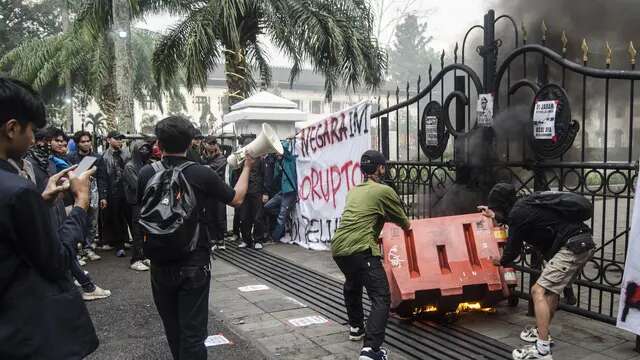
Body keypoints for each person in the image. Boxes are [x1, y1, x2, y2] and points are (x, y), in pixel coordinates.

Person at [138, 116, 254, 360]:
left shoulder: (146, 173)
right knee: (193, 332)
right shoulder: (200, 173)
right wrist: (247, 167)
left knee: (173, 329)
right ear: (191, 142)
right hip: (194, 261)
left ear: (158, 143)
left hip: (159, 263)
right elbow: (236, 198)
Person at [0, 77, 99, 358]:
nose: (33, 139)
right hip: (22, 331)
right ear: (12, 128)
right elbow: (57, 260)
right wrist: (80, 203)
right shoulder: (17, 191)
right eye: (31, 131)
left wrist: (41, 201)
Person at [481, 183, 595, 360]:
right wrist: (495, 215)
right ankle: (542, 333)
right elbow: (517, 221)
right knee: (551, 291)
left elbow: (512, 250)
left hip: (571, 247)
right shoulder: (524, 205)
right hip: (580, 243)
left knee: (537, 291)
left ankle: (542, 351)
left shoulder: (518, 212)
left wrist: (500, 261)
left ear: (503, 204)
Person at [331, 150, 411, 360]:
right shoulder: (384, 191)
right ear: (380, 168)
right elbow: (404, 222)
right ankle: (372, 350)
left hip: (339, 248)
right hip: (362, 249)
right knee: (381, 296)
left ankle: (356, 327)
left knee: (353, 282)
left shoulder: (354, 190)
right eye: (384, 167)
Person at [68, 130, 102, 261]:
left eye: (88, 141)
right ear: (77, 143)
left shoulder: (97, 157)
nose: (86, 144)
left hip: (93, 193)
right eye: (83, 141)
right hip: (76, 195)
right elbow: (71, 177)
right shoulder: (70, 158)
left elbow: (102, 177)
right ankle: (77, 250)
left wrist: (103, 196)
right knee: (78, 221)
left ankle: (89, 248)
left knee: (92, 222)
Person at [98, 130, 131, 257]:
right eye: (116, 138)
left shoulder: (127, 154)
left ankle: (135, 245)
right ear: (108, 140)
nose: (119, 141)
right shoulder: (104, 157)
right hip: (113, 193)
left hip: (127, 192)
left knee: (131, 218)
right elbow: (102, 178)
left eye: (121, 139)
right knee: (116, 219)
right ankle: (119, 245)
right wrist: (103, 196)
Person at [124, 140, 153, 271]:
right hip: (136, 203)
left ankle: (144, 255)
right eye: (142, 149)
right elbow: (136, 185)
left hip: (146, 202)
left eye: (147, 149)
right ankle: (135, 259)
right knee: (137, 231)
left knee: (145, 230)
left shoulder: (147, 164)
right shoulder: (130, 166)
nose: (145, 152)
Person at [264, 139, 297, 242]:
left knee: (281, 216)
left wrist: (279, 144)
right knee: (267, 207)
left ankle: (275, 237)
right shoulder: (281, 161)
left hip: (290, 191)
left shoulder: (289, 159)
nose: (276, 153)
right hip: (283, 191)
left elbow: (286, 147)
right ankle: (284, 217)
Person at [237, 136, 265, 250]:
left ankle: (258, 239)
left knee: (257, 217)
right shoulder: (240, 159)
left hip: (256, 191)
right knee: (244, 217)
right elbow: (237, 175)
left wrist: (265, 192)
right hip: (245, 192)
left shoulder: (260, 159)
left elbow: (264, 176)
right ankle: (246, 240)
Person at [203, 135, 228, 250]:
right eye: (210, 143)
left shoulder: (221, 157)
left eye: (214, 143)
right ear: (205, 144)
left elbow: (211, 169)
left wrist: (206, 166)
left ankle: (221, 239)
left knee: (220, 215)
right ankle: (212, 240)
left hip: (219, 190)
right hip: (208, 191)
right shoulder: (202, 155)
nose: (212, 146)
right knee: (209, 215)